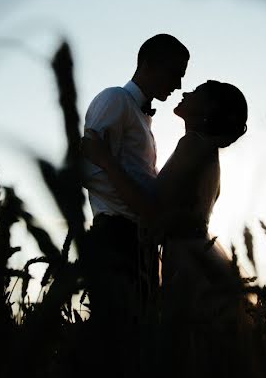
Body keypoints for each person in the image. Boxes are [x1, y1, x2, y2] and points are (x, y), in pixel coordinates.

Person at [82, 80, 266, 377]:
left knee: (186, 352)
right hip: (196, 256)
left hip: (188, 264)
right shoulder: (204, 150)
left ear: (208, 110)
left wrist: (104, 161)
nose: (185, 91)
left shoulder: (193, 145)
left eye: (197, 91)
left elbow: (152, 210)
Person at [79, 33, 190, 371]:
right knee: (117, 345)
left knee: (140, 343)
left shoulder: (143, 118)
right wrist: (141, 205)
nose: (180, 83)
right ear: (150, 64)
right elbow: (89, 163)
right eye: (175, 72)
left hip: (139, 241)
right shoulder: (115, 100)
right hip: (115, 235)